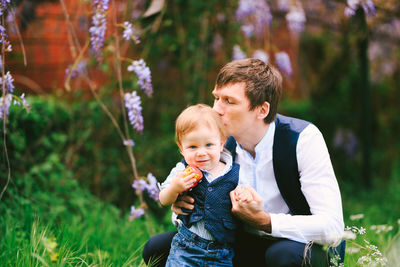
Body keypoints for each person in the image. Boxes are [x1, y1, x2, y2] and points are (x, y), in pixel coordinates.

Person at [143, 58, 345, 267]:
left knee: (283, 255)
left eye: (229, 101)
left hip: (298, 246)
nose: (217, 110)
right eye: (216, 98)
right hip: (240, 243)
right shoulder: (217, 145)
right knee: (157, 248)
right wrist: (182, 207)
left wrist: (266, 221)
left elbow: (333, 227)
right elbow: (191, 202)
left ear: (262, 110)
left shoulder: (302, 138)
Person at [158, 104, 240, 267]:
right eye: (192, 147)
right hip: (186, 246)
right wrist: (175, 188)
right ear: (182, 148)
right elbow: (163, 199)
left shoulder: (233, 172)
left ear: (222, 143)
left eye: (209, 145)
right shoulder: (182, 171)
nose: (201, 152)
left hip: (221, 251)